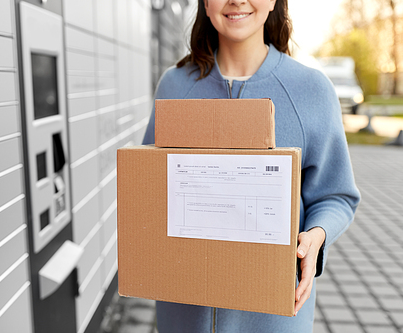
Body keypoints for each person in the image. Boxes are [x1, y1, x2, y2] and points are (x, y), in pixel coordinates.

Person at [142, 0, 361, 331]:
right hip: (183, 314)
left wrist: (317, 235)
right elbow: (148, 186)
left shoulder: (311, 90)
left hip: (272, 317)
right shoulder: (174, 86)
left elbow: (336, 195)